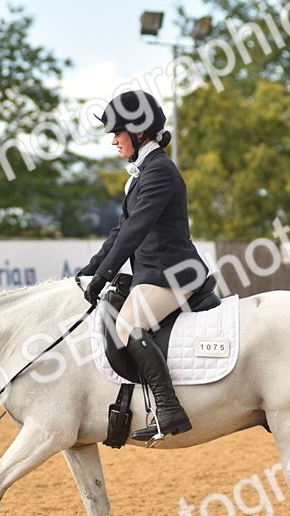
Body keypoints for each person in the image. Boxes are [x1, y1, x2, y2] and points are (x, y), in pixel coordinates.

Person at [78, 89, 210, 442]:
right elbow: (120, 229)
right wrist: (91, 268)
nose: (113, 142)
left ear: (138, 132)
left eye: (116, 133)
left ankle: (168, 408)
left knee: (126, 327)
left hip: (173, 274)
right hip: (154, 273)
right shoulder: (141, 173)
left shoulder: (160, 171)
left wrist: (106, 274)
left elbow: (136, 229)